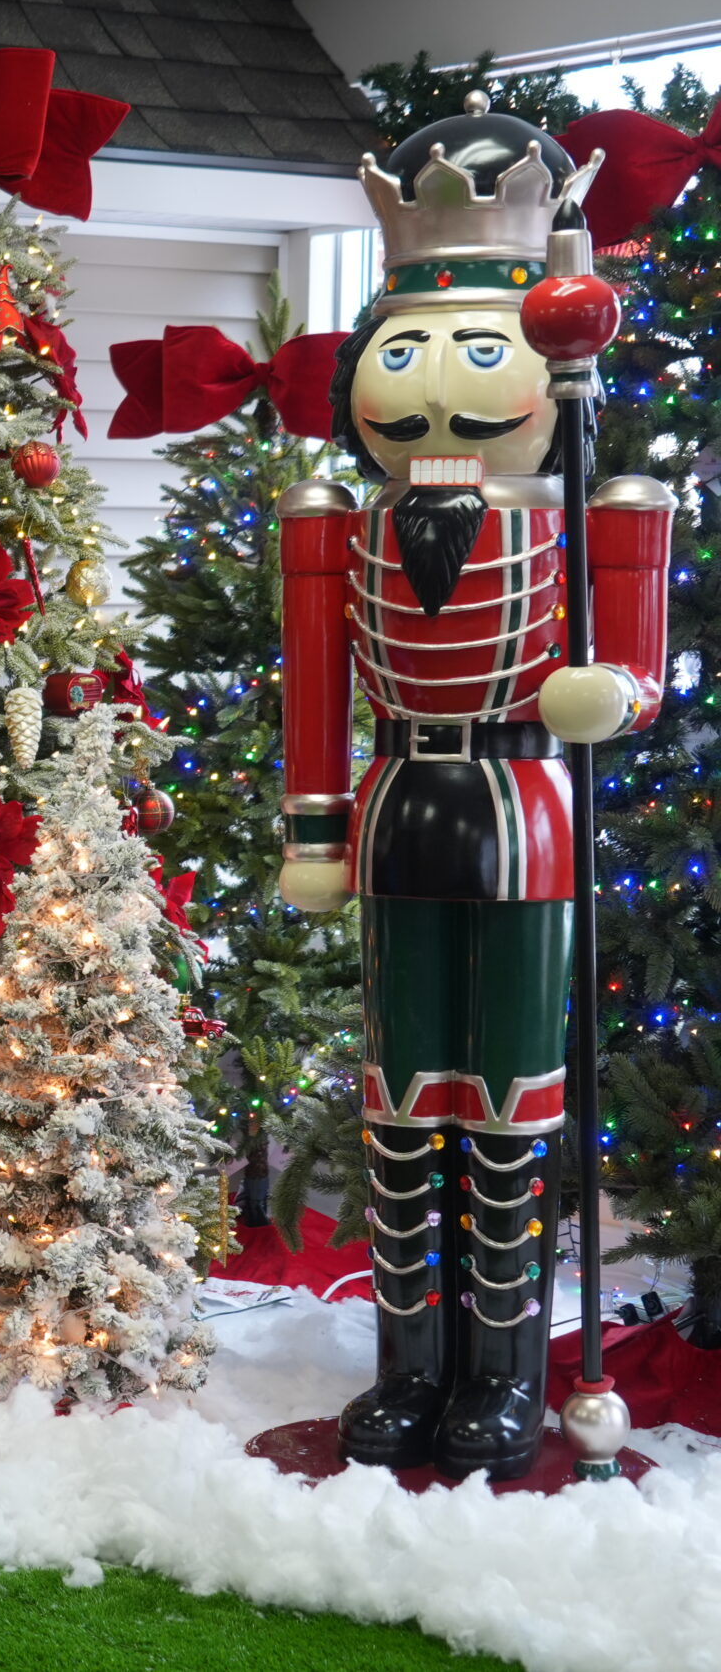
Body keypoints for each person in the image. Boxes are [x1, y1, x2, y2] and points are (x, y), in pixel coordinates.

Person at [278, 97, 671, 1481]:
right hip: (396, 811)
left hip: (524, 821)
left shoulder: (597, 509)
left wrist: (606, 697)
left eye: (478, 346)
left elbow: (638, 675)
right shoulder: (338, 525)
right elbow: (317, 688)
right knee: (400, 1094)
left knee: (508, 1096)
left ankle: (500, 1373)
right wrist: (314, 825)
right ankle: (409, 1364)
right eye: (406, 349)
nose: (435, 386)